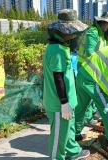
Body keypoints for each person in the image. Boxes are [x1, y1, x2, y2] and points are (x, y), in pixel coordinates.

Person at [42, 9, 90, 160]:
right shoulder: (57, 49)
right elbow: (58, 77)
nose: (75, 34)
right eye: (72, 30)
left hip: (67, 102)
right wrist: (64, 102)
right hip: (59, 104)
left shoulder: (62, 47)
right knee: (58, 138)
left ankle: (72, 152)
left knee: (67, 132)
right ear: (62, 31)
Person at [76, 12, 108, 134]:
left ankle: (83, 124)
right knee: (84, 103)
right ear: (102, 22)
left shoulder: (105, 37)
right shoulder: (93, 32)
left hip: (94, 70)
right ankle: (76, 131)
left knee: (86, 101)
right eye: (107, 24)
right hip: (85, 68)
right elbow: (89, 52)